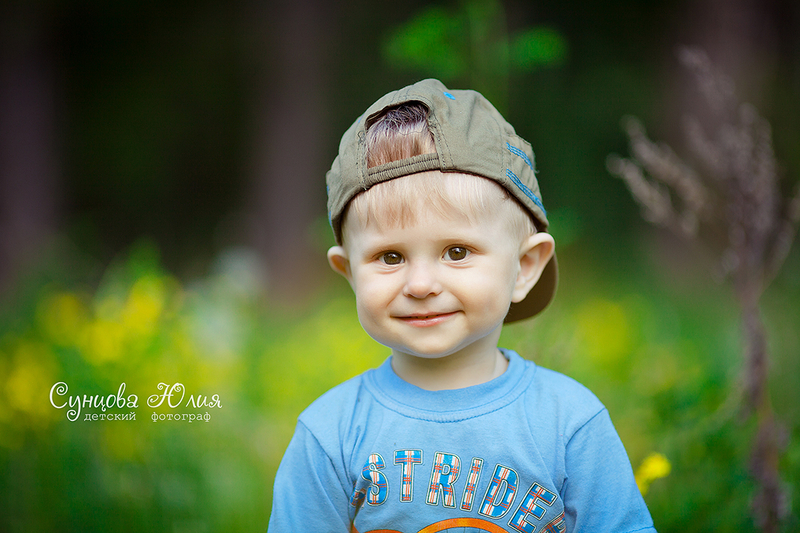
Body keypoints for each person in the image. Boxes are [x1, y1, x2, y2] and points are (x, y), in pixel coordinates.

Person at [268, 79, 656, 533]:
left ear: (525, 266)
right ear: (350, 273)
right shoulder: (330, 434)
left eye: (456, 252)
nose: (420, 284)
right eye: (389, 257)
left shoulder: (568, 424)